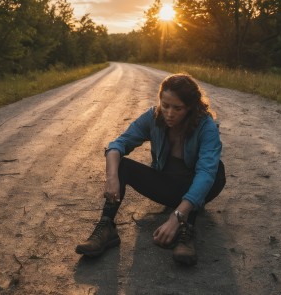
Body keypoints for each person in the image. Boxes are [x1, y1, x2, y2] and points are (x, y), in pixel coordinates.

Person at [75, 73, 226, 266]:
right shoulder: (154, 117)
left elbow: (206, 173)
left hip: (194, 188)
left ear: (190, 107)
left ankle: (185, 230)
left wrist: (175, 216)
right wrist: (112, 177)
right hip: (166, 186)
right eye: (165, 105)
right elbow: (118, 144)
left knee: (215, 171)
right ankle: (106, 227)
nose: (169, 113)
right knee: (121, 164)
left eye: (177, 108)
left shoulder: (206, 126)